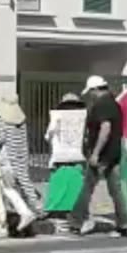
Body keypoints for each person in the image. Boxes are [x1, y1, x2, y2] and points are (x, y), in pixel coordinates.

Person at [71, 75, 127, 237]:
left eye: (91, 92)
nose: (90, 95)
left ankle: (77, 221)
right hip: (114, 154)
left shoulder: (102, 105)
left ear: (96, 90)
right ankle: (125, 224)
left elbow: (105, 128)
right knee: (116, 190)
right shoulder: (115, 104)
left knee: (87, 188)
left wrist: (96, 153)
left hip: (102, 155)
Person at [0, 94, 41, 236]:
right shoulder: (21, 120)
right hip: (19, 157)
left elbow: (0, 139)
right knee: (17, 185)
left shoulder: (3, 120)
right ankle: (3, 214)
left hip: (6, 159)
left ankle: (24, 212)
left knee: (6, 187)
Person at [43, 93, 88, 226]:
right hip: (78, 156)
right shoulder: (84, 118)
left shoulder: (57, 117)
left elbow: (48, 136)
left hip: (60, 156)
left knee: (59, 183)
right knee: (76, 184)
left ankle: (56, 209)